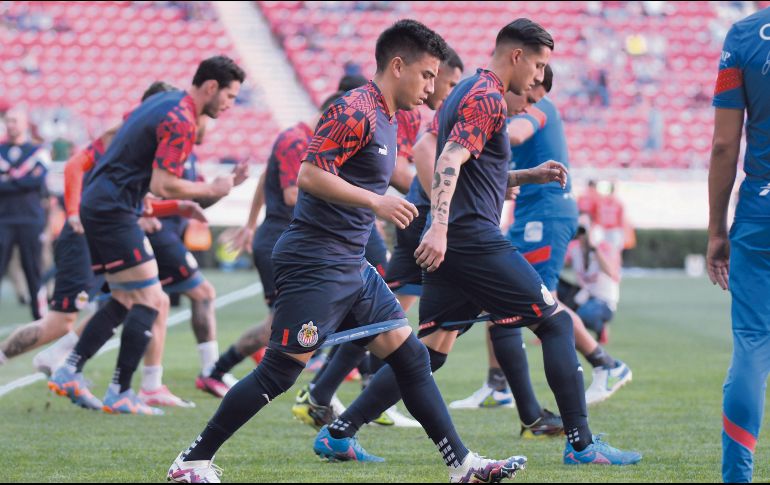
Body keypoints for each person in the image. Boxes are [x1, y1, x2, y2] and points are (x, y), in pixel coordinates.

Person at [168, 20, 526, 484]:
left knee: (411, 357)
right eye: (426, 75)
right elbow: (310, 175)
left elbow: (404, 177)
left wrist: (504, 182)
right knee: (278, 372)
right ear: (397, 66)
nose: (432, 87)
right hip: (316, 262)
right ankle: (191, 462)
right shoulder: (354, 108)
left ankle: (464, 466)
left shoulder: (388, 119)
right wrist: (376, 202)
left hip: (351, 265)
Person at [315, 18, 642, 467]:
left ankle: (339, 432)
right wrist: (441, 226)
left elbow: (471, 169)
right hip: (471, 238)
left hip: (458, 240)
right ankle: (582, 445)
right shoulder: (487, 97)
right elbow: (448, 158)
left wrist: (527, 175)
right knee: (556, 323)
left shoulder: (467, 92)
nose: (537, 77)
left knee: (430, 353)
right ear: (517, 56)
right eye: (539, 65)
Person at [47, 56, 243, 415]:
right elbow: (163, 183)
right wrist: (209, 186)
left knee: (126, 297)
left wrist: (174, 206)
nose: (230, 105)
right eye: (230, 96)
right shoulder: (180, 117)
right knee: (152, 300)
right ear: (211, 87)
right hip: (114, 210)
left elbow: (126, 151)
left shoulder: (161, 102)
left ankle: (69, 369)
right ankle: (119, 389)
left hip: (107, 204)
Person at [291, 48, 465, 430]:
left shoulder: (401, 112)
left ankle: (330, 398)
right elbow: (397, 172)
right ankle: (341, 395)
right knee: (399, 330)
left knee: (388, 325)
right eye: (437, 79)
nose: (440, 89)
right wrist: (429, 204)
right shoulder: (400, 114)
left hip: (380, 225)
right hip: (392, 227)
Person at [452, 66, 631, 412]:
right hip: (531, 214)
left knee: (539, 299)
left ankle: (605, 364)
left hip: (547, 214)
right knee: (497, 291)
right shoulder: (512, 102)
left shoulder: (538, 104)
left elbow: (515, 135)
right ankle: (498, 384)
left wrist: (471, 128)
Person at [706, 8, 770, 484]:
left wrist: (715, 231)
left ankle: (737, 477)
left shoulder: (744, 35)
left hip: (760, 212)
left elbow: (725, 144)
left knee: (752, 344)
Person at [0, 107, 50, 322]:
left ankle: (40, 318)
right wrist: (21, 181)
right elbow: (27, 182)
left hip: (30, 219)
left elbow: (36, 181)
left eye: (15, 120)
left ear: (24, 123)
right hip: (4, 219)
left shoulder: (38, 151)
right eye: (8, 120)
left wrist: (9, 180)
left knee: (33, 269)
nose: (11, 124)